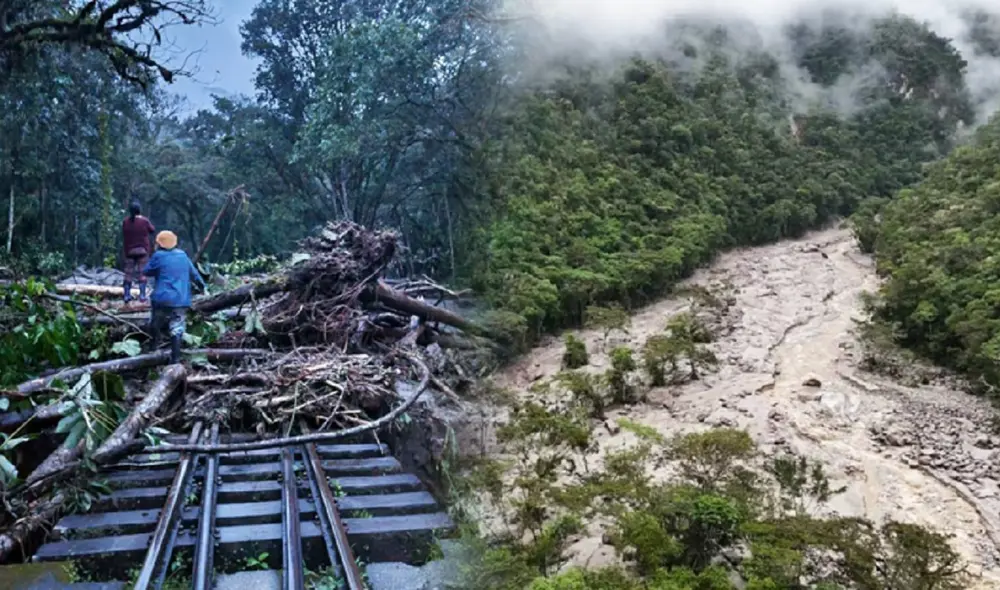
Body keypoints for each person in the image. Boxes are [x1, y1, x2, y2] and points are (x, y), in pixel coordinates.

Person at [143, 230, 206, 364]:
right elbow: (195, 275)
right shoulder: (183, 255)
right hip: (181, 299)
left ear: (159, 244)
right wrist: (203, 288)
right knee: (177, 327)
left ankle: (153, 349)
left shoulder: (158, 256)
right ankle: (175, 359)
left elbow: (146, 271)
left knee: (155, 322)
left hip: (162, 299)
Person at [121, 200, 156, 303]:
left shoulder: (125, 222)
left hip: (129, 251)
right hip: (142, 250)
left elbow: (124, 233)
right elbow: (152, 230)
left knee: (128, 273)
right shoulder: (144, 221)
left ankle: (126, 295)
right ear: (139, 210)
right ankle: (142, 295)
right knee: (142, 272)